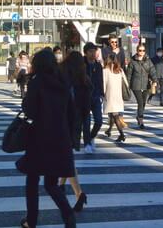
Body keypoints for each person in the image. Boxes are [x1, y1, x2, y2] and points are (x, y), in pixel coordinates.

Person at [16, 49, 76, 228]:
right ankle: (68, 214)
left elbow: (30, 110)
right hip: (60, 137)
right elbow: (72, 113)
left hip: (39, 138)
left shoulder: (37, 82)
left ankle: (31, 220)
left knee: (32, 180)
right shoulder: (63, 82)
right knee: (51, 183)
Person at [59, 51, 90, 212]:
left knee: (66, 160)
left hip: (62, 124)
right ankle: (61, 185)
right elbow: (86, 107)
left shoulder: (63, 78)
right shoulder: (84, 80)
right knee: (67, 157)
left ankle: (79, 194)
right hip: (75, 124)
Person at [127, 44, 156, 129]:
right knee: (140, 102)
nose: (141, 52)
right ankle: (141, 120)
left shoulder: (148, 60)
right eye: (140, 50)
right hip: (135, 85)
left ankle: (138, 116)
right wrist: (127, 86)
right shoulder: (132, 61)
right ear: (137, 51)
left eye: (143, 50)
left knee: (143, 102)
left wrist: (155, 80)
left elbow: (152, 71)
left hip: (146, 84)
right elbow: (129, 75)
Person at [83, 42, 104, 152]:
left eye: (94, 51)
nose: (93, 54)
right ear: (85, 53)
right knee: (86, 122)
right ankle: (87, 144)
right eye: (90, 51)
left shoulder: (98, 65)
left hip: (96, 96)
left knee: (99, 121)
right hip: (84, 97)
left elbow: (100, 80)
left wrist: (102, 94)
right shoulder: (81, 65)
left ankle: (91, 137)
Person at [103, 54, 128, 142]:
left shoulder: (106, 70)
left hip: (110, 95)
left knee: (115, 115)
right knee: (113, 114)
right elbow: (126, 82)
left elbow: (104, 84)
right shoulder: (119, 70)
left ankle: (122, 134)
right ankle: (109, 130)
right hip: (118, 95)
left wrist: (103, 94)